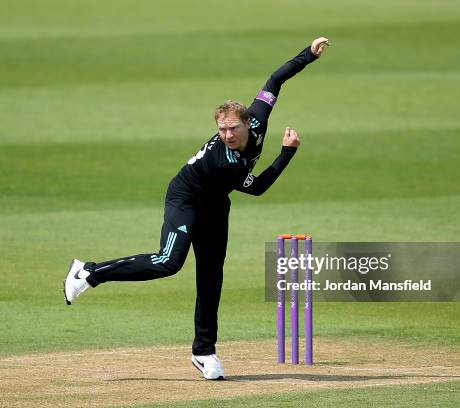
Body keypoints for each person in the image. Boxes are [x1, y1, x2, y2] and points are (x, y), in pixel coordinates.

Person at [63, 37, 330, 380]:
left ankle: (204, 352)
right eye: (222, 130)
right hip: (186, 199)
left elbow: (275, 80)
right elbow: (259, 187)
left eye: (233, 128)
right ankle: (88, 272)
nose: (228, 135)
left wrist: (308, 55)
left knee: (211, 277)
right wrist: (287, 153)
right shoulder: (225, 160)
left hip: (216, 205)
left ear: (248, 122)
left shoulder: (259, 118)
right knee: (168, 262)